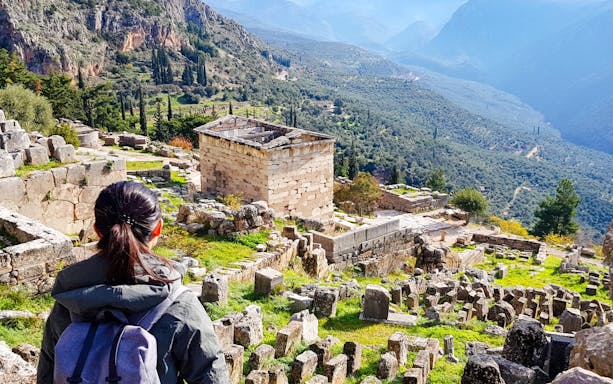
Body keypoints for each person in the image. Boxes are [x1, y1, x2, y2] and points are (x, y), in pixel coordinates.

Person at [37, 181, 230, 383]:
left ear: (97, 230)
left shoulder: (69, 300)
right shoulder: (180, 306)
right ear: (158, 229)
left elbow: (47, 375)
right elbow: (212, 376)